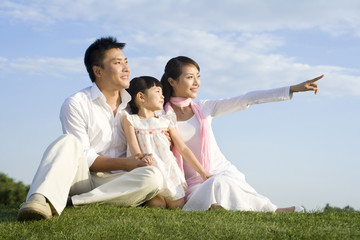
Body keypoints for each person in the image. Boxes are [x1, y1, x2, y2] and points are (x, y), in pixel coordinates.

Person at [17, 37, 164, 221]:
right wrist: (127, 163)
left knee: (154, 177)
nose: (127, 69)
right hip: (83, 177)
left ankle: (73, 201)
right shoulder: (77, 103)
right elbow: (85, 157)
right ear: (98, 71)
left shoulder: (134, 105)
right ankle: (39, 199)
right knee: (67, 142)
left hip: (119, 181)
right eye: (118, 63)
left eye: (126, 62)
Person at [160, 56, 323, 212]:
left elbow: (246, 99)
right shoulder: (162, 116)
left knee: (221, 182)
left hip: (220, 170)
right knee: (214, 187)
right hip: (191, 182)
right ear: (172, 81)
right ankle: (230, 207)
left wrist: (291, 88)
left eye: (198, 76)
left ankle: (272, 210)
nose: (197, 83)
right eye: (190, 77)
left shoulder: (205, 108)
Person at [123, 76, 212, 209]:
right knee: (157, 204)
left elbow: (183, 148)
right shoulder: (131, 120)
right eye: (157, 91)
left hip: (169, 171)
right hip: (149, 170)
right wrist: (142, 159)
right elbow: (133, 147)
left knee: (177, 205)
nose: (162, 96)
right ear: (141, 97)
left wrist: (203, 172)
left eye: (162, 93)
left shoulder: (166, 120)